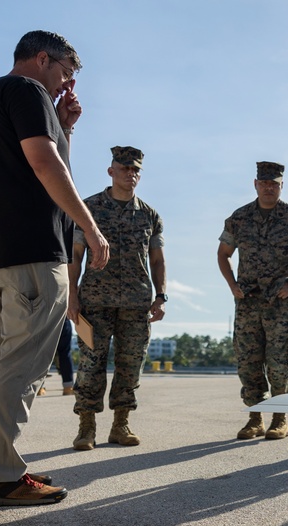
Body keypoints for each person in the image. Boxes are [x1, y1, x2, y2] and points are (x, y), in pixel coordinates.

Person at [0, 30, 109, 506]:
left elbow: (33, 160)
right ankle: (2, 474)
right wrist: (90, 229)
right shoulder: (28, 90)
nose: (66, 83)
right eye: (65, 72)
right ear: (43, 58)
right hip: (30, 251)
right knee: (23, 365)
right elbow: (45, 164)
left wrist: (64, 126)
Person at [69, 146, 166, 450]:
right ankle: (86, 427)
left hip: (137, 305)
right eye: (124, 168)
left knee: (130, 365)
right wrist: (71, 297)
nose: (130, 174)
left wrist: (161, 296)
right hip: (93, 303)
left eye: (135, 169)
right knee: (90, 364)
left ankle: (120, 425)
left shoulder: (150, 215)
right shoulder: (89, 209)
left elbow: (158, 260)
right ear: (111, 171)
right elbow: (74, 256)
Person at [218, 162, 288, 440]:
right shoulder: (239, 218)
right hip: (248, 301)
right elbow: (223, 254)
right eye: (264, 183)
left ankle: (280, 418)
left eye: (274, 183)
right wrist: (231, 284)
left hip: (280, 303)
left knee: (278, 363)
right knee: (249, 362)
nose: (269, 187)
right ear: (255, 184)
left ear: (281, 185)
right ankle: (254, 419)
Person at [36, 317, 75, 396]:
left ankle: (39, 387)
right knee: (65, 353)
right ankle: (68, 387)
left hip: (44, 319)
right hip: (63, 319)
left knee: (42, 354)